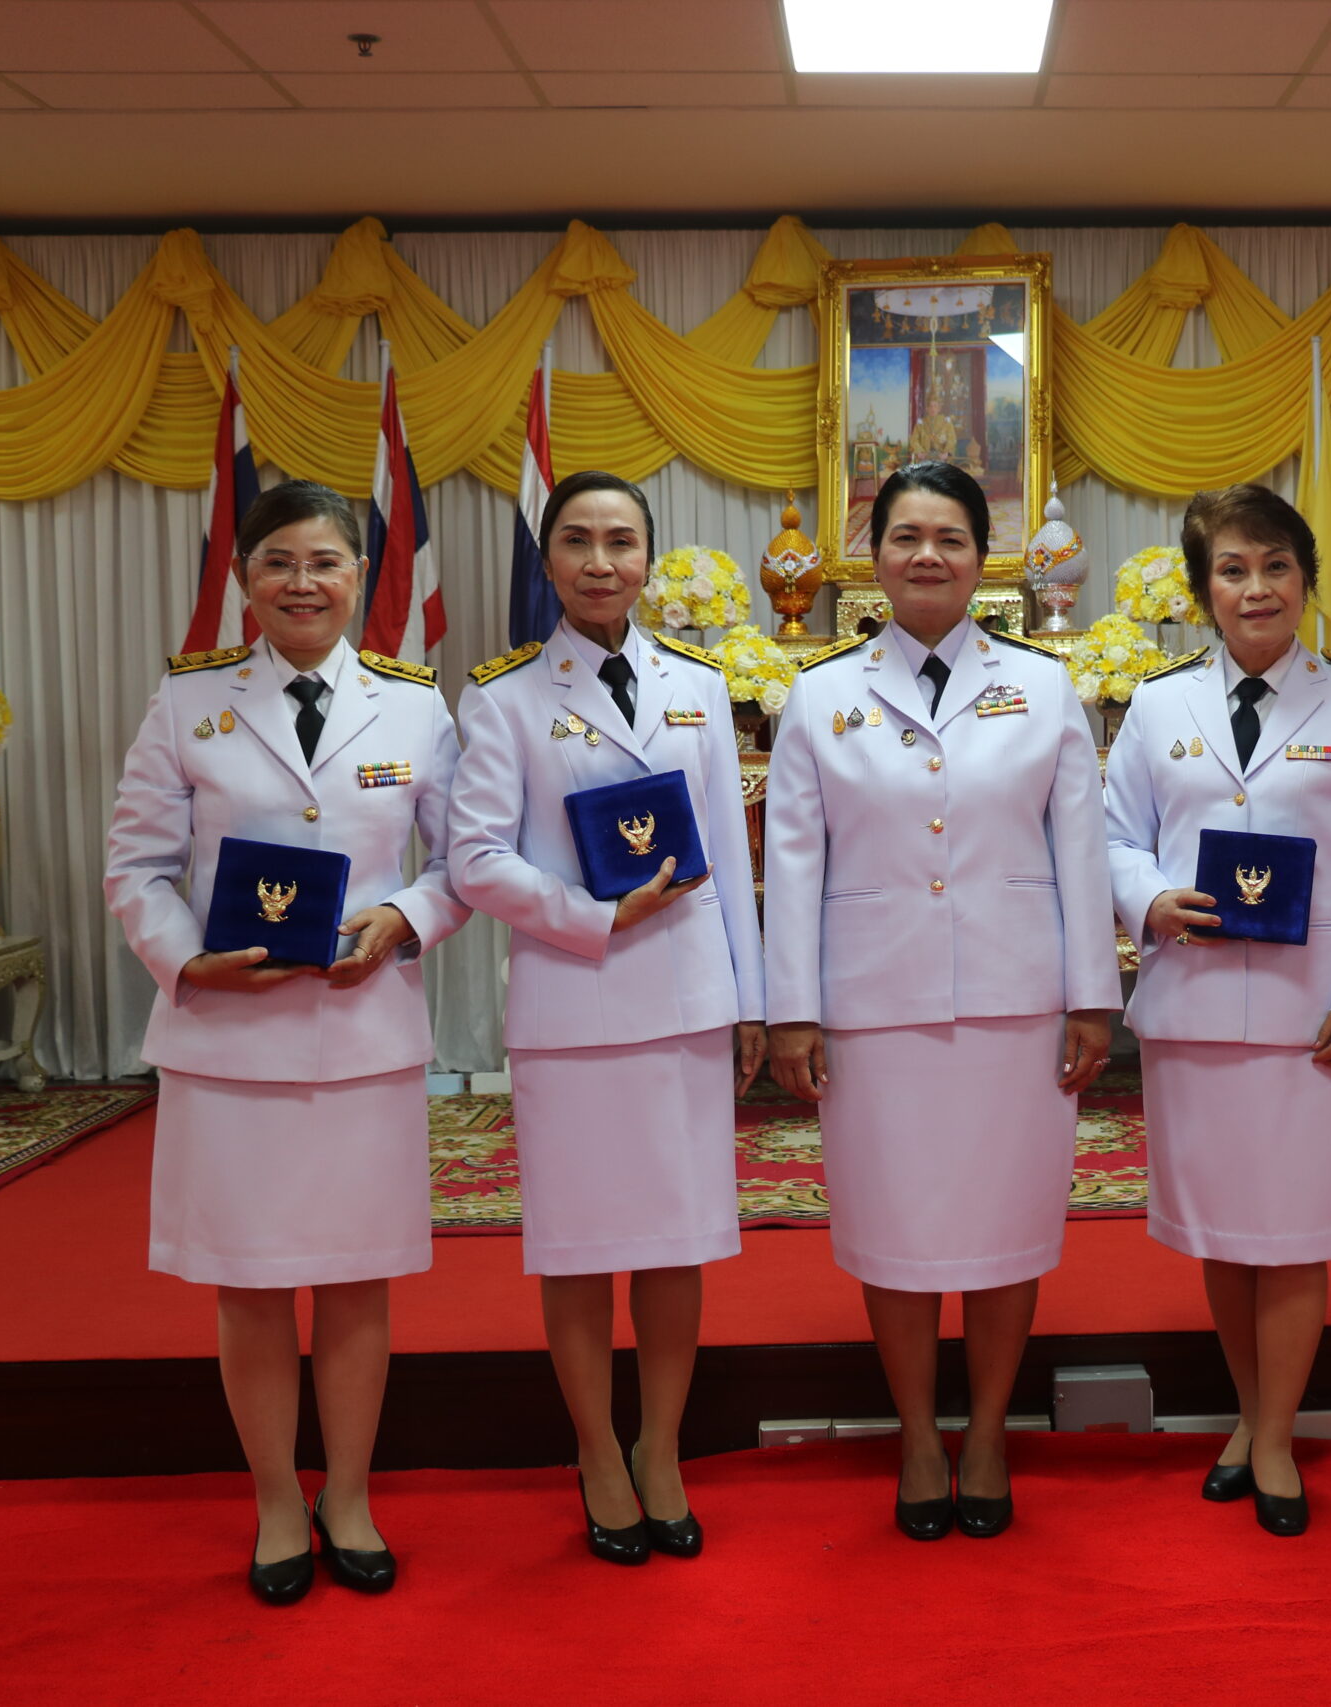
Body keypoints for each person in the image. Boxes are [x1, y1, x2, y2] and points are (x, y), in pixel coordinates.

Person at [105, 479, 470, 1604]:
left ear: (359, 576)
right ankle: (275, 1500)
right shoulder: (189, 704)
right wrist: (186, 958)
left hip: (363, 1036)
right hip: (230, 1044)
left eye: (325, 562)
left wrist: (402, 917)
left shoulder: (414, 706)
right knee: (252, 1284)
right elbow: (135, 867)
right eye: (278, 563)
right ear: (244, 579)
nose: (302, 583)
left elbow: (464, 862)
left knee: (357, 1282)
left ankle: (347, 1495)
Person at [765, 460, 1121, 1541]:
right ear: (871, 556)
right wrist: (792, 1009)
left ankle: (990, 1430)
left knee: (1008, 1226)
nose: (927, 555)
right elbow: (792, 860)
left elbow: (1079, 849)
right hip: (873, 1006)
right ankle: (920, 1435)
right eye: (905, 536)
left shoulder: (1043, 686)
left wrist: (1092, 996)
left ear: (983, 559)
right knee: (895, 1227)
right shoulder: (820, 693)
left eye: (950, 538)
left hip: (1017, 1005)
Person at [446, 470, 765, 1566]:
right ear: (548, 562)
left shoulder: (700, 687)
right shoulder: (502, 699)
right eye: (577, 541)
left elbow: (728, 861)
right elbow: (474, 859)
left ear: (648, 560)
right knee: (580, 1249)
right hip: (573, 1004)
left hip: (684, 1002)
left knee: (678, 1245)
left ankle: (660, 1448)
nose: (599, 562)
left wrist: (751, 1000)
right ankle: (596, 1453)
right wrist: (592, 914)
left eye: (620, 541)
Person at [1102, 484, 1331, 1537]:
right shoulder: (1157, 706)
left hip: (1311, 1021)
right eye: (1232, 570)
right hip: (1192, 1013)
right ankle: (1252, 1412)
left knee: (1294, 1232)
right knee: (1225, 1235)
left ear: (1305, 580)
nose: (1257, 587)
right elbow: (1115, 837)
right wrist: (1149, 898)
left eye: (1276, 566)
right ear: (1204, 592)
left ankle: (1273, 1438)